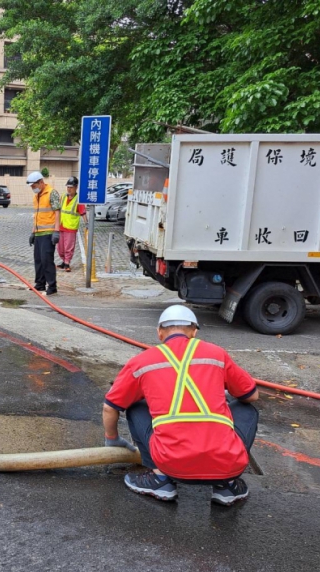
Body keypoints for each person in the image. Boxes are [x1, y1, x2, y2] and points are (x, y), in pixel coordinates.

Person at [102, 305, 259, 506]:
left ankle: (160, 479)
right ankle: (227, 484)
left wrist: (112, 440)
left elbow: (110, 406)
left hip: (171, 462)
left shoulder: (142, 361)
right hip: (226, 463)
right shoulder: (217, 354)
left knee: (134, 405)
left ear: (159, 333)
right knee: (246, 409)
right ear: (194, 332)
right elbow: (251, 395)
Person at [26, 171, 61, 296]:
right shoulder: (36, 196)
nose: (33, 188)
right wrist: (33, 233)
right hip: (39, 233)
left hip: (49, 232)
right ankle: (40, 284)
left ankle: (52, 286)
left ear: (41, 182)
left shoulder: (52, 193)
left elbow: (57, 212)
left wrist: (56, 231)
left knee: (47, 260)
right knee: (39, 260)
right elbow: (37, 215)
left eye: (34, 186)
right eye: (31, 187)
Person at [56, 176, 86, 272]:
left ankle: (67, 263)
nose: (69, 189)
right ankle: (63, 261)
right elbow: (58, 210)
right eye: (68, 187)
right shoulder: (63, 197)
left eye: (71, 187)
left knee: (68, 247)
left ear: (76, 187)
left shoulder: (78, 200)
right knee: (60, 247)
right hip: (61, 225)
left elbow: (83, 213)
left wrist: (87, 224)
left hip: (71, 227)